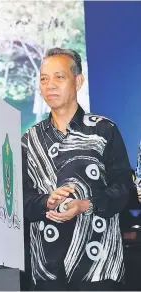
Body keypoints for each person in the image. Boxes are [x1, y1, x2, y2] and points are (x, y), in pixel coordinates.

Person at [22, 48, 136, 291]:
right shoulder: (28, 139)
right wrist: (46, 203)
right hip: (47, 269)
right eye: (44, 79)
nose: (50, 85)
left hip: (99, 266)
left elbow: (125, 190)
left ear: (78, 81)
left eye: (59, 77)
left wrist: (85, 205)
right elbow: (20, 201)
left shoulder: (104, 130)